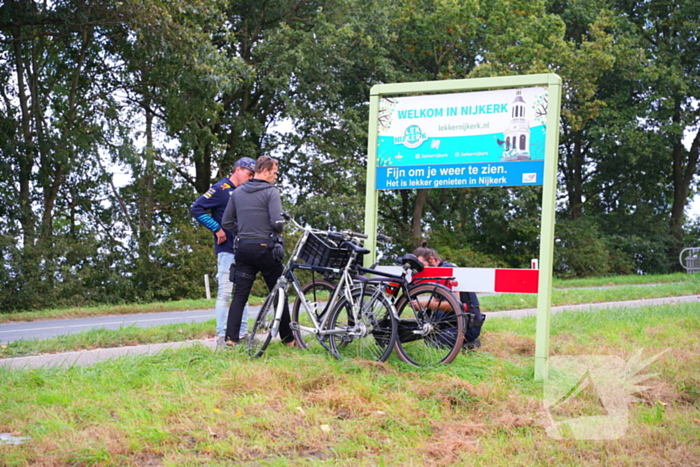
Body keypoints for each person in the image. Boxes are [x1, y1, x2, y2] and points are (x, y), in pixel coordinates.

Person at [221, 155, 295, 347]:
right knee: (278, 293)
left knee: (240, 295)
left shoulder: (237, 193)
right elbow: (277, 222)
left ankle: (230, 339)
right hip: (266, 250)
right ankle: (289, 340)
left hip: (243, 249)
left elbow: (227, 222)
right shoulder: (271, 192)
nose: (276, 177)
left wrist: (244, 232)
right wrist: (277, 231)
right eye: (275, 173)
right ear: (264, 171)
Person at [190, 157, 256, 347]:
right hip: (227, 249)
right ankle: (221, 335)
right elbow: (197, 208)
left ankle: (242, 334)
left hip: (243, 247)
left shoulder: (243, 192)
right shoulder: (220, 189)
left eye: (253, 175)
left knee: (242, 293)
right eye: (248, 174)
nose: (250, 178)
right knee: (225, 293)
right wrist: (216, 229)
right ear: (238, 169)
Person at [413, 244, 485, 349]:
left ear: (431, 259)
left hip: (468, 324)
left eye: (422, 266)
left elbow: (454, 304)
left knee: (434, 344)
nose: (421, 270)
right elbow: (435, 303)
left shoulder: (448, 270)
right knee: (425, 314)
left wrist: (424, 303)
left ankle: (469, 342)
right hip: (454, 320)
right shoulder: (440, 273)